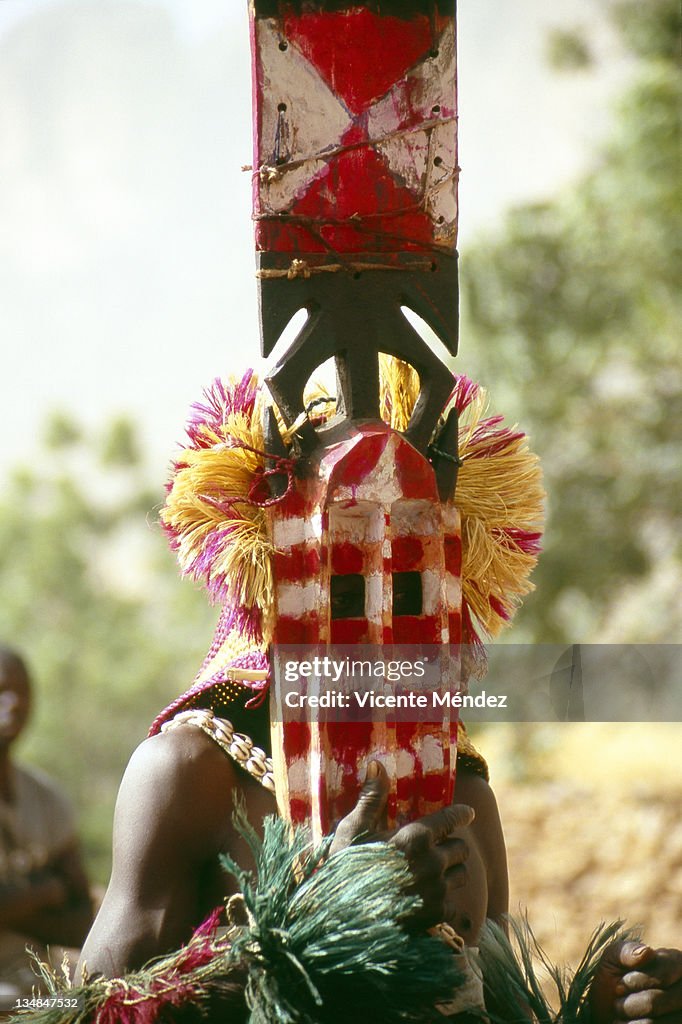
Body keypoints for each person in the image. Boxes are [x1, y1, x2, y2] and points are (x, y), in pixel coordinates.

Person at [77, 703, 682, 1022]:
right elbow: (82, 1014)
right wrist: (322, 924)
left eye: (422, 556)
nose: (385, 579)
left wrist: (599, 1010)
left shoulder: (464, 796)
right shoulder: (192, 774)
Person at [0, 647, 92, 1005]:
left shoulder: (46, 799)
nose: (15, 703)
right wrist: (44, 891)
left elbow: (83, 918)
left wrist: (11, 907)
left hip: (39, 983)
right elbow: (63, 896)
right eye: (2, 690)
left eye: (24, 692)